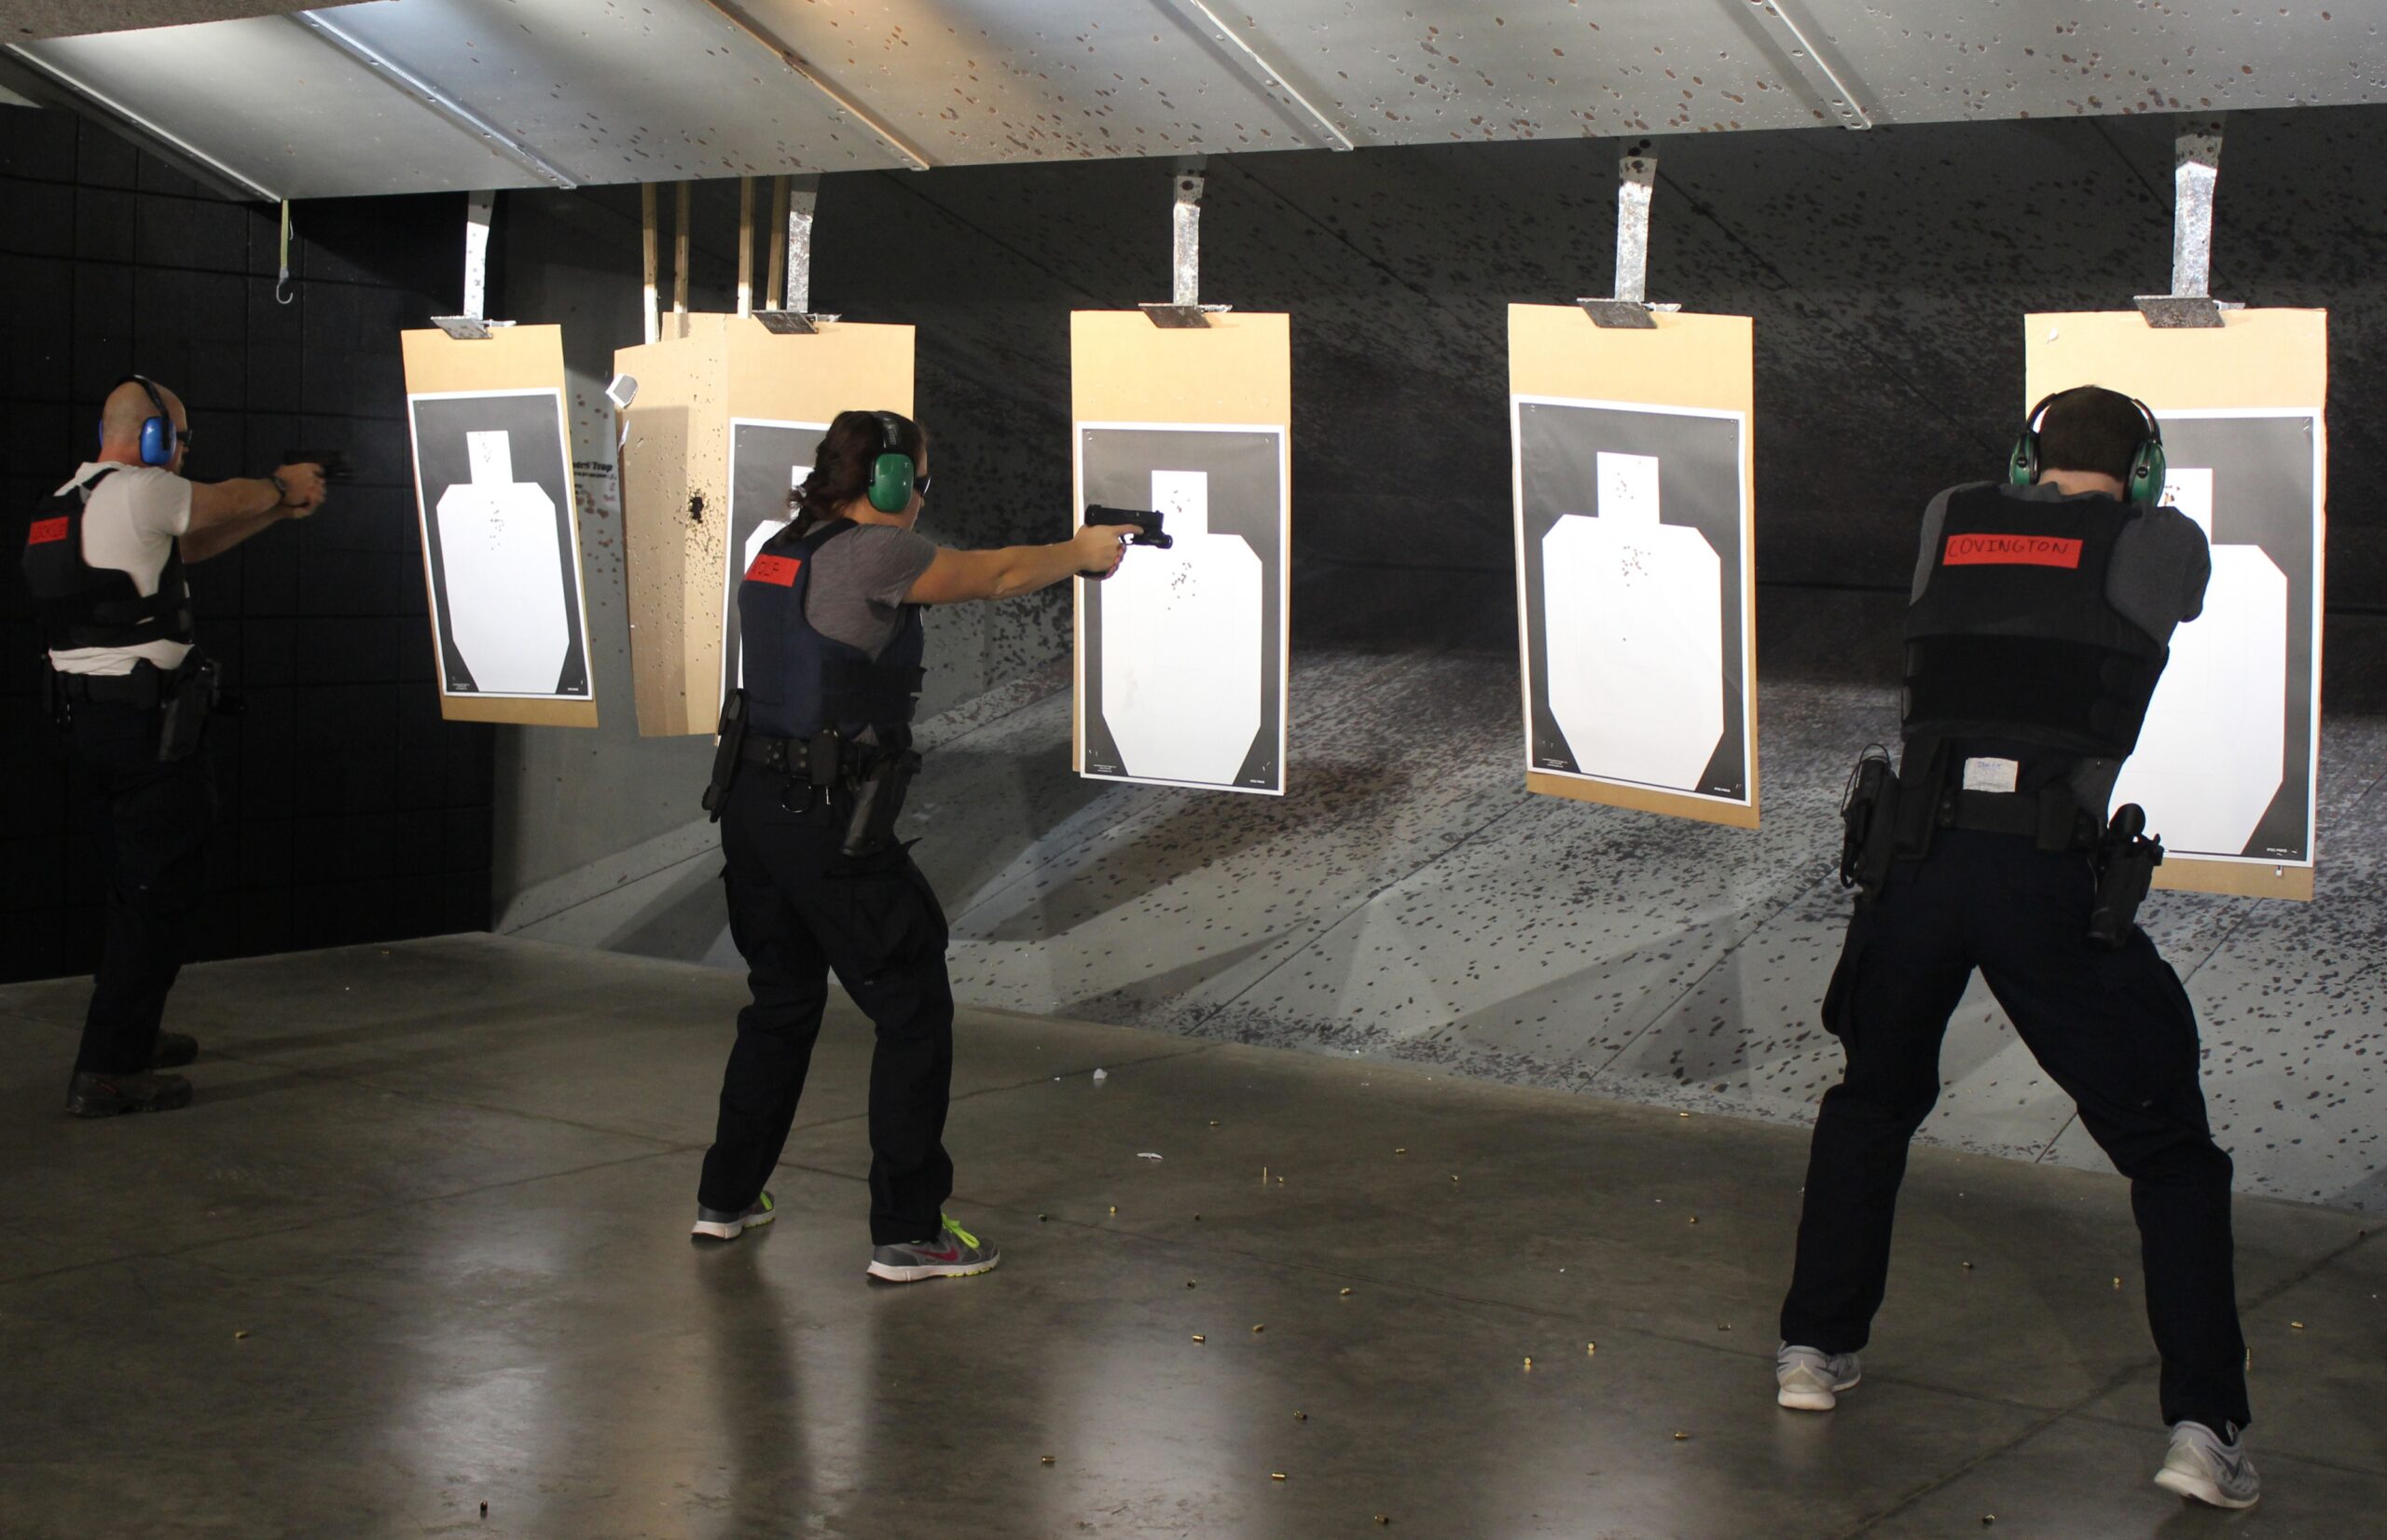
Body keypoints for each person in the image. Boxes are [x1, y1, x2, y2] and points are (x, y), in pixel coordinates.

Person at [1776, 386, 2257, 1508]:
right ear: (2141, 475)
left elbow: (1999, 541)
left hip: (1914, 869)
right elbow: (2171, 577)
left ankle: (1812, 1346)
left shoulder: (1950, 515)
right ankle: (2205, 1426)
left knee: (1871, 1102)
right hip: (2046, 879)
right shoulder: (2156, 540)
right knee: (2172, 1154)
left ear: (2022, 454)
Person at [691, 408, 1138, 1283]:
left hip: (750, 806)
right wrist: (1083, 553)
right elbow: (996, 574)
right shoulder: (875, 552)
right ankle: (907, 1231)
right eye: (920, 481)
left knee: (780, 1004)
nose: (923, 498)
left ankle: (727, 1198)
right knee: (912, 1008)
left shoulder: (784, 546)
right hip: (825, 815)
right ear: (892, 482)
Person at [22, 376, 328, 1118]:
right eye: (181, 439)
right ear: (156, 436)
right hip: (143, 734)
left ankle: (132, 1032)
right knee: (157, 897)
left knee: (137, 892)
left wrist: (278, 513)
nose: (184, 453)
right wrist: (279, 484)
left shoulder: (72, 499)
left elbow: (191, 541)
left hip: (93, 727)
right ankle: (110, 1071)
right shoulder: (143, 487)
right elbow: (215, 502)